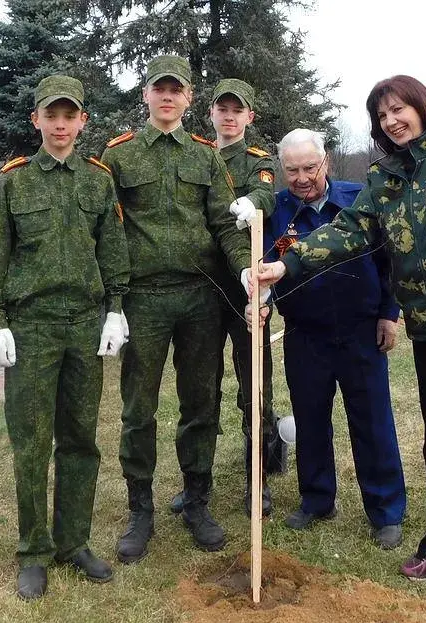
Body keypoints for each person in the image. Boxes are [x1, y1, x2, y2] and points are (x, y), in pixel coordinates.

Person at [255, 76, 426, 610]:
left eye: (399, 109)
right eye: (382, 115)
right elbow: (351, 231)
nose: (391, 121)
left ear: (423, 108)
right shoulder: (384, 178)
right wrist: (284, 264)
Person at [0, 74, 131, 601]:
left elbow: (111, 249)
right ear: (36, 120)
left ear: (83, 121)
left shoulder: (98, 180)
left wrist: (116, 311)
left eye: (70, 115)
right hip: (33, 326)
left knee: (81, 439)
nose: (61, 125)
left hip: (86, 324)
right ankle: (34, 551)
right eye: (51, 115)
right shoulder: (14, 182)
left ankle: (73, 542)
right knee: (31, 443)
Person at [100, 55, 253, 563]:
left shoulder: (207, 157)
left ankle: (197, 501)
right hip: (144, 299)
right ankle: (139, 510)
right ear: (145, 95)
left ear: (189, 99)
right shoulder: (118, 156)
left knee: (200, 404)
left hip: (199, 298)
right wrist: (114, 304)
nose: (167, 97)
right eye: (158, 89)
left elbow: (224, 224)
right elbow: (109, 234)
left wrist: (246, 269)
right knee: (138, 409)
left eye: (177, 90)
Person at [258, 128, 406, 549]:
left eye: (310, 167)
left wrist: (389, 315)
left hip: (361, 331)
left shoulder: (360, 199)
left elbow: (389, 261)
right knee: (310, 420)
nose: (302, 177)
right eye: (292, 170)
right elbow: (266, 265)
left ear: (326, 162)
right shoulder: (276, 212)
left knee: (373, 422)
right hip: (305, 334)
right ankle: (317, 500)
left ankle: (386, 511)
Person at [167, 77, 286, 519]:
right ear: (211, 113)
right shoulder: (195, 157)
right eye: (223, 109)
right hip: (201, 287)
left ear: (250, 117)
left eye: (239, 110)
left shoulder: (259, 161)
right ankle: (195, 483)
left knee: (256, 389)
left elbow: (266, 194)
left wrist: (249, 204)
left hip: (247, 287)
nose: (230, 117)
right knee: (199, 390)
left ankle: (259, 482)